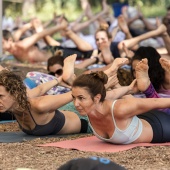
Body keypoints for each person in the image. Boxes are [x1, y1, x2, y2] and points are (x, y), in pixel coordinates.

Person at [69, 58, 170, 144]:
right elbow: (111, 93)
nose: (76, 103)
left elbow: (157, 102)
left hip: (161, 125)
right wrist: (127, 88)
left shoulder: (120, 108)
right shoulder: (92, 105)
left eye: (81, 98)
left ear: (97, 98)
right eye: (73, 97)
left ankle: (148, 88)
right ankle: (146, 88)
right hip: (138, 120)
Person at [0, 65, 92, 135]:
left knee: (99, 94)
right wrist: (58, 80)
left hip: (86, 119)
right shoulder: (19, 99)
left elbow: (80, 93)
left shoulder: (40, 105)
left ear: (14, 93)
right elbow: (40, 89)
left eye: (1, 96)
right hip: (64, 111)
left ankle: (105, 75)